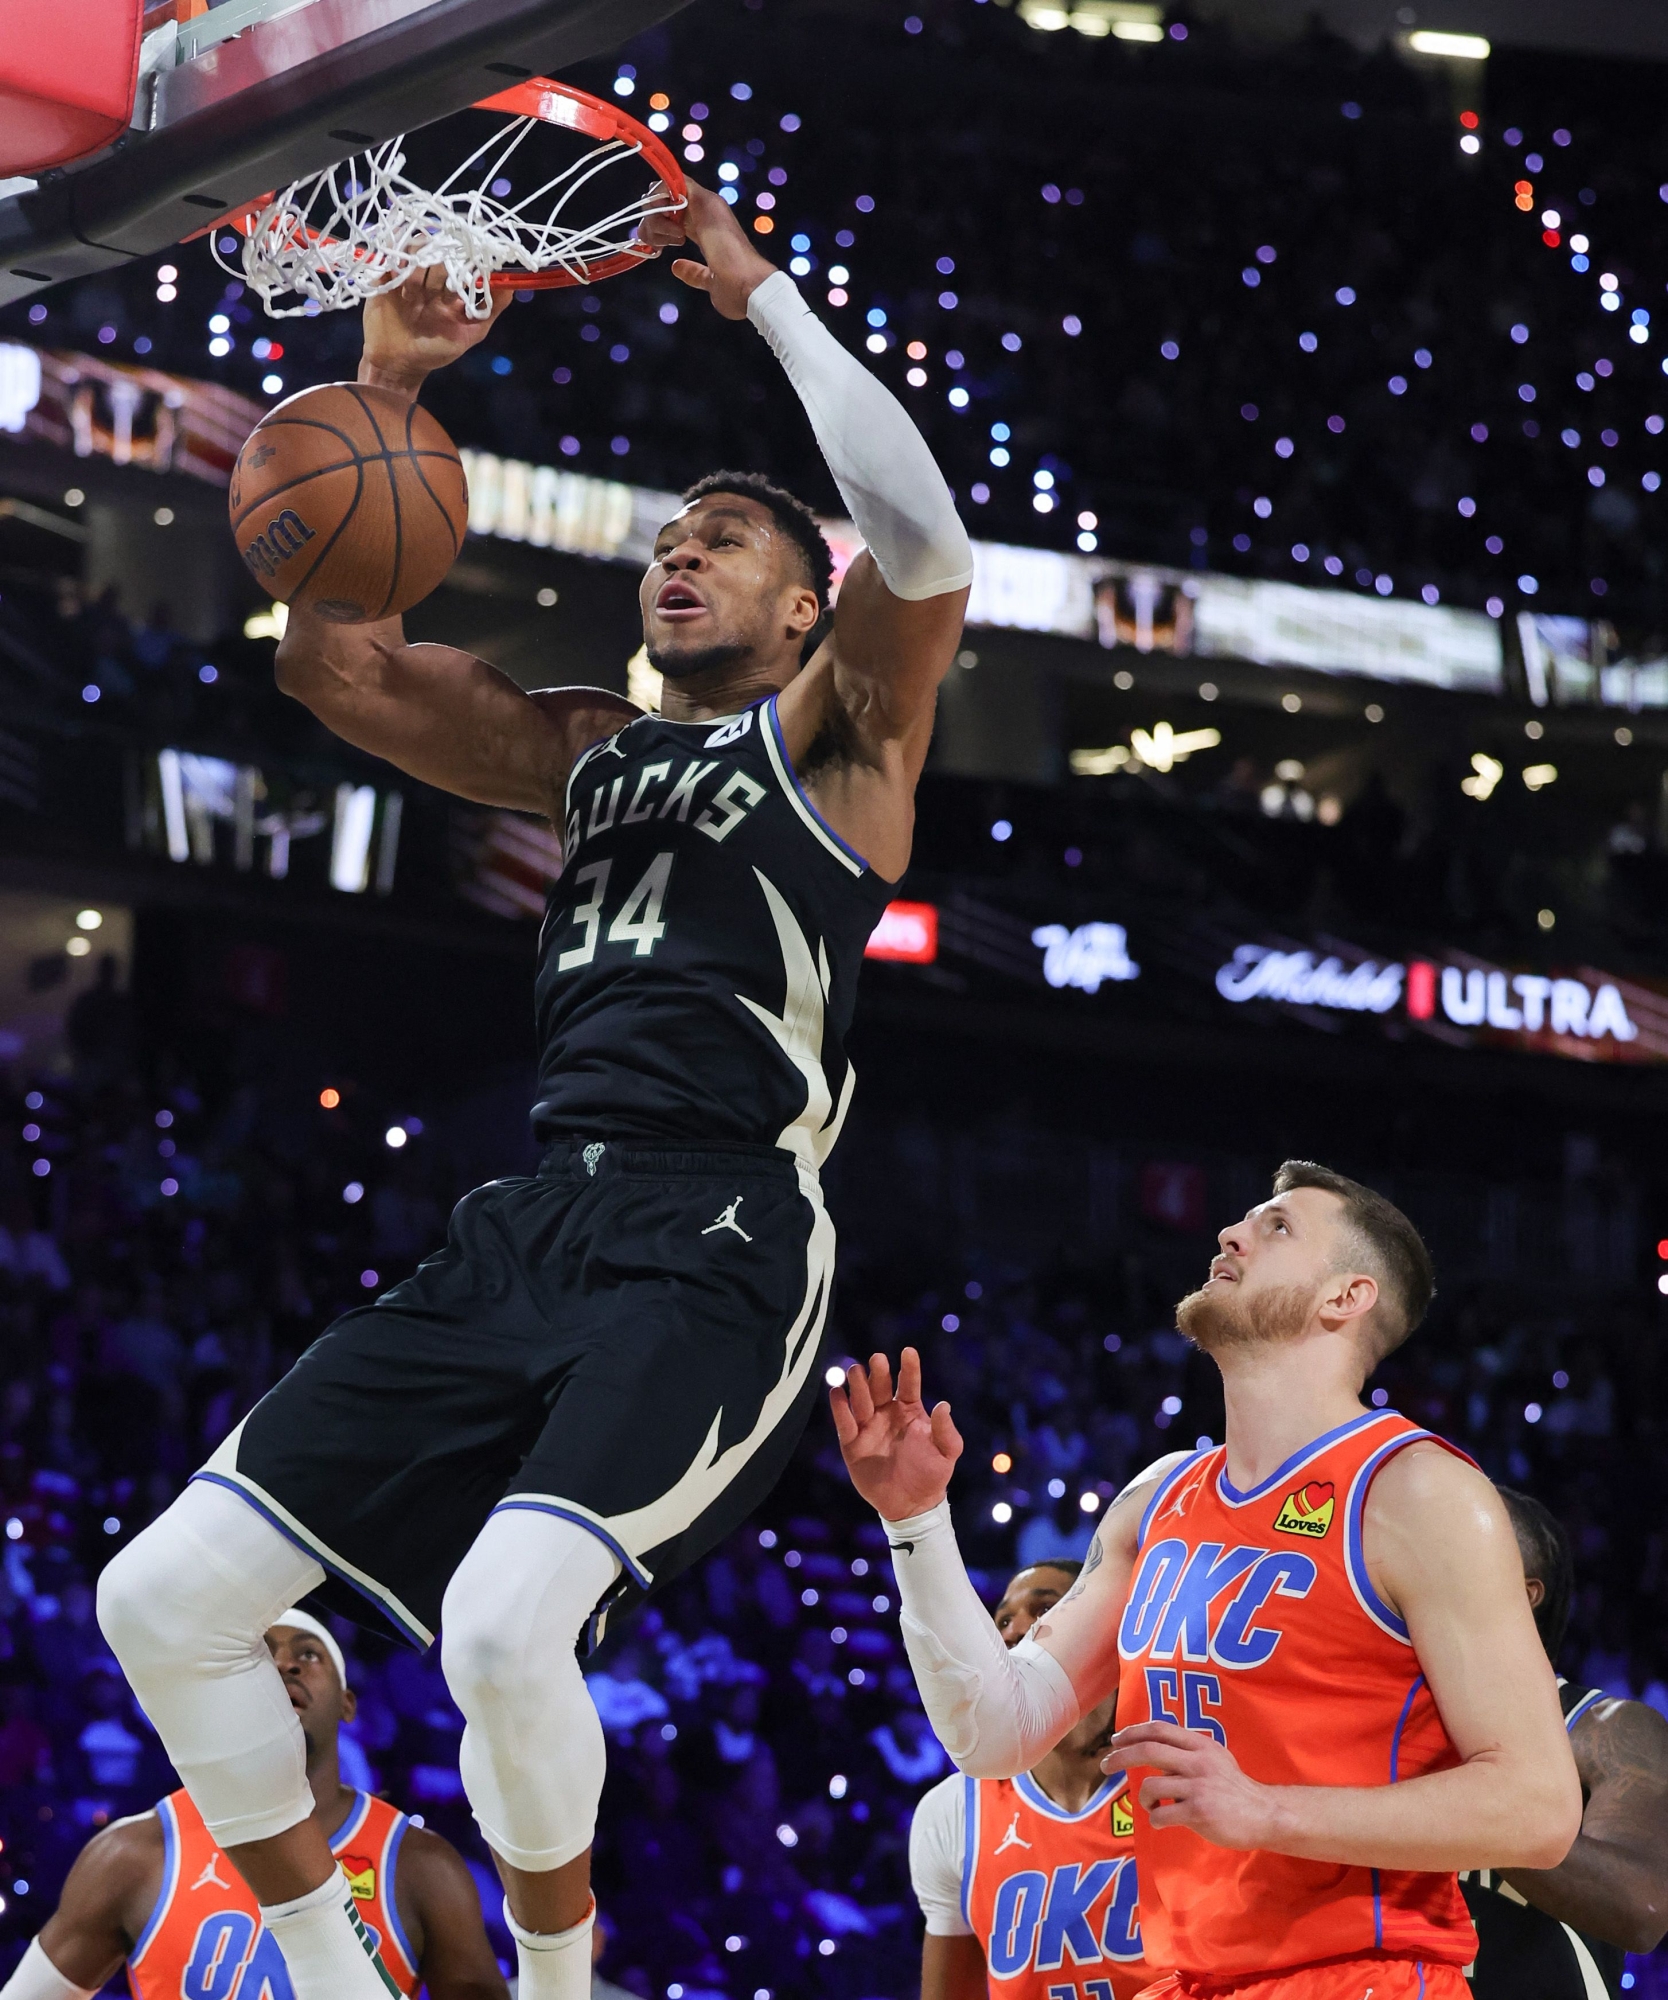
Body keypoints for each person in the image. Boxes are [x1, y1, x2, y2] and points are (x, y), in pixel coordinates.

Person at [94, 177, 972, 2000]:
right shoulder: (582, 750)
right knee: (154, 1602)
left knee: (505, 1628)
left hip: (717, 1227)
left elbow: (925, 534)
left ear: (808, 607)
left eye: (727, 539)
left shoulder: (843, 730)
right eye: (670, 533)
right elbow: (332, 665)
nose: (681, 549)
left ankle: (557, 1993)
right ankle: (333, 1977)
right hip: (532, 1219)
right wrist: (385, 388)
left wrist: (768, 309)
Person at [832, 1159, 1583, 2000]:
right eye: (1245, 1222)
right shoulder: (1156, 1499)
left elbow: (1539, 1810)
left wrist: (1269, 1811)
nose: (1231, 1233)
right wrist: (916, 1521)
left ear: (1347, 1297)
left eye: (1277, 1228)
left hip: (1355, 1977)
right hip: (1191, 1978)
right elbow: (995, 1734)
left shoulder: (1418, 1493)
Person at [1, 1612, 506, 2000]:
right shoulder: (135, 1854)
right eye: (261, 1655)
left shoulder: (420, 1865)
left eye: (308, 1655)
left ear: (347, 1703)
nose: (284, 1664)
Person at [909, 1560, 1153, 2000]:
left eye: (1044, 1609)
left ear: (1108, 1626)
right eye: (1003, 1619)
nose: (1013, 1630)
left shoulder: (1181, 1767)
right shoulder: (953, 1813)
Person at [1461, 1487, 1668, 2000]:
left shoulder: (1602, 1725)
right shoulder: (1377, 1713)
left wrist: (1446, 1793)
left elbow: (1640, 1908)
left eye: (1455, 1541)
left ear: (1526, 1591)